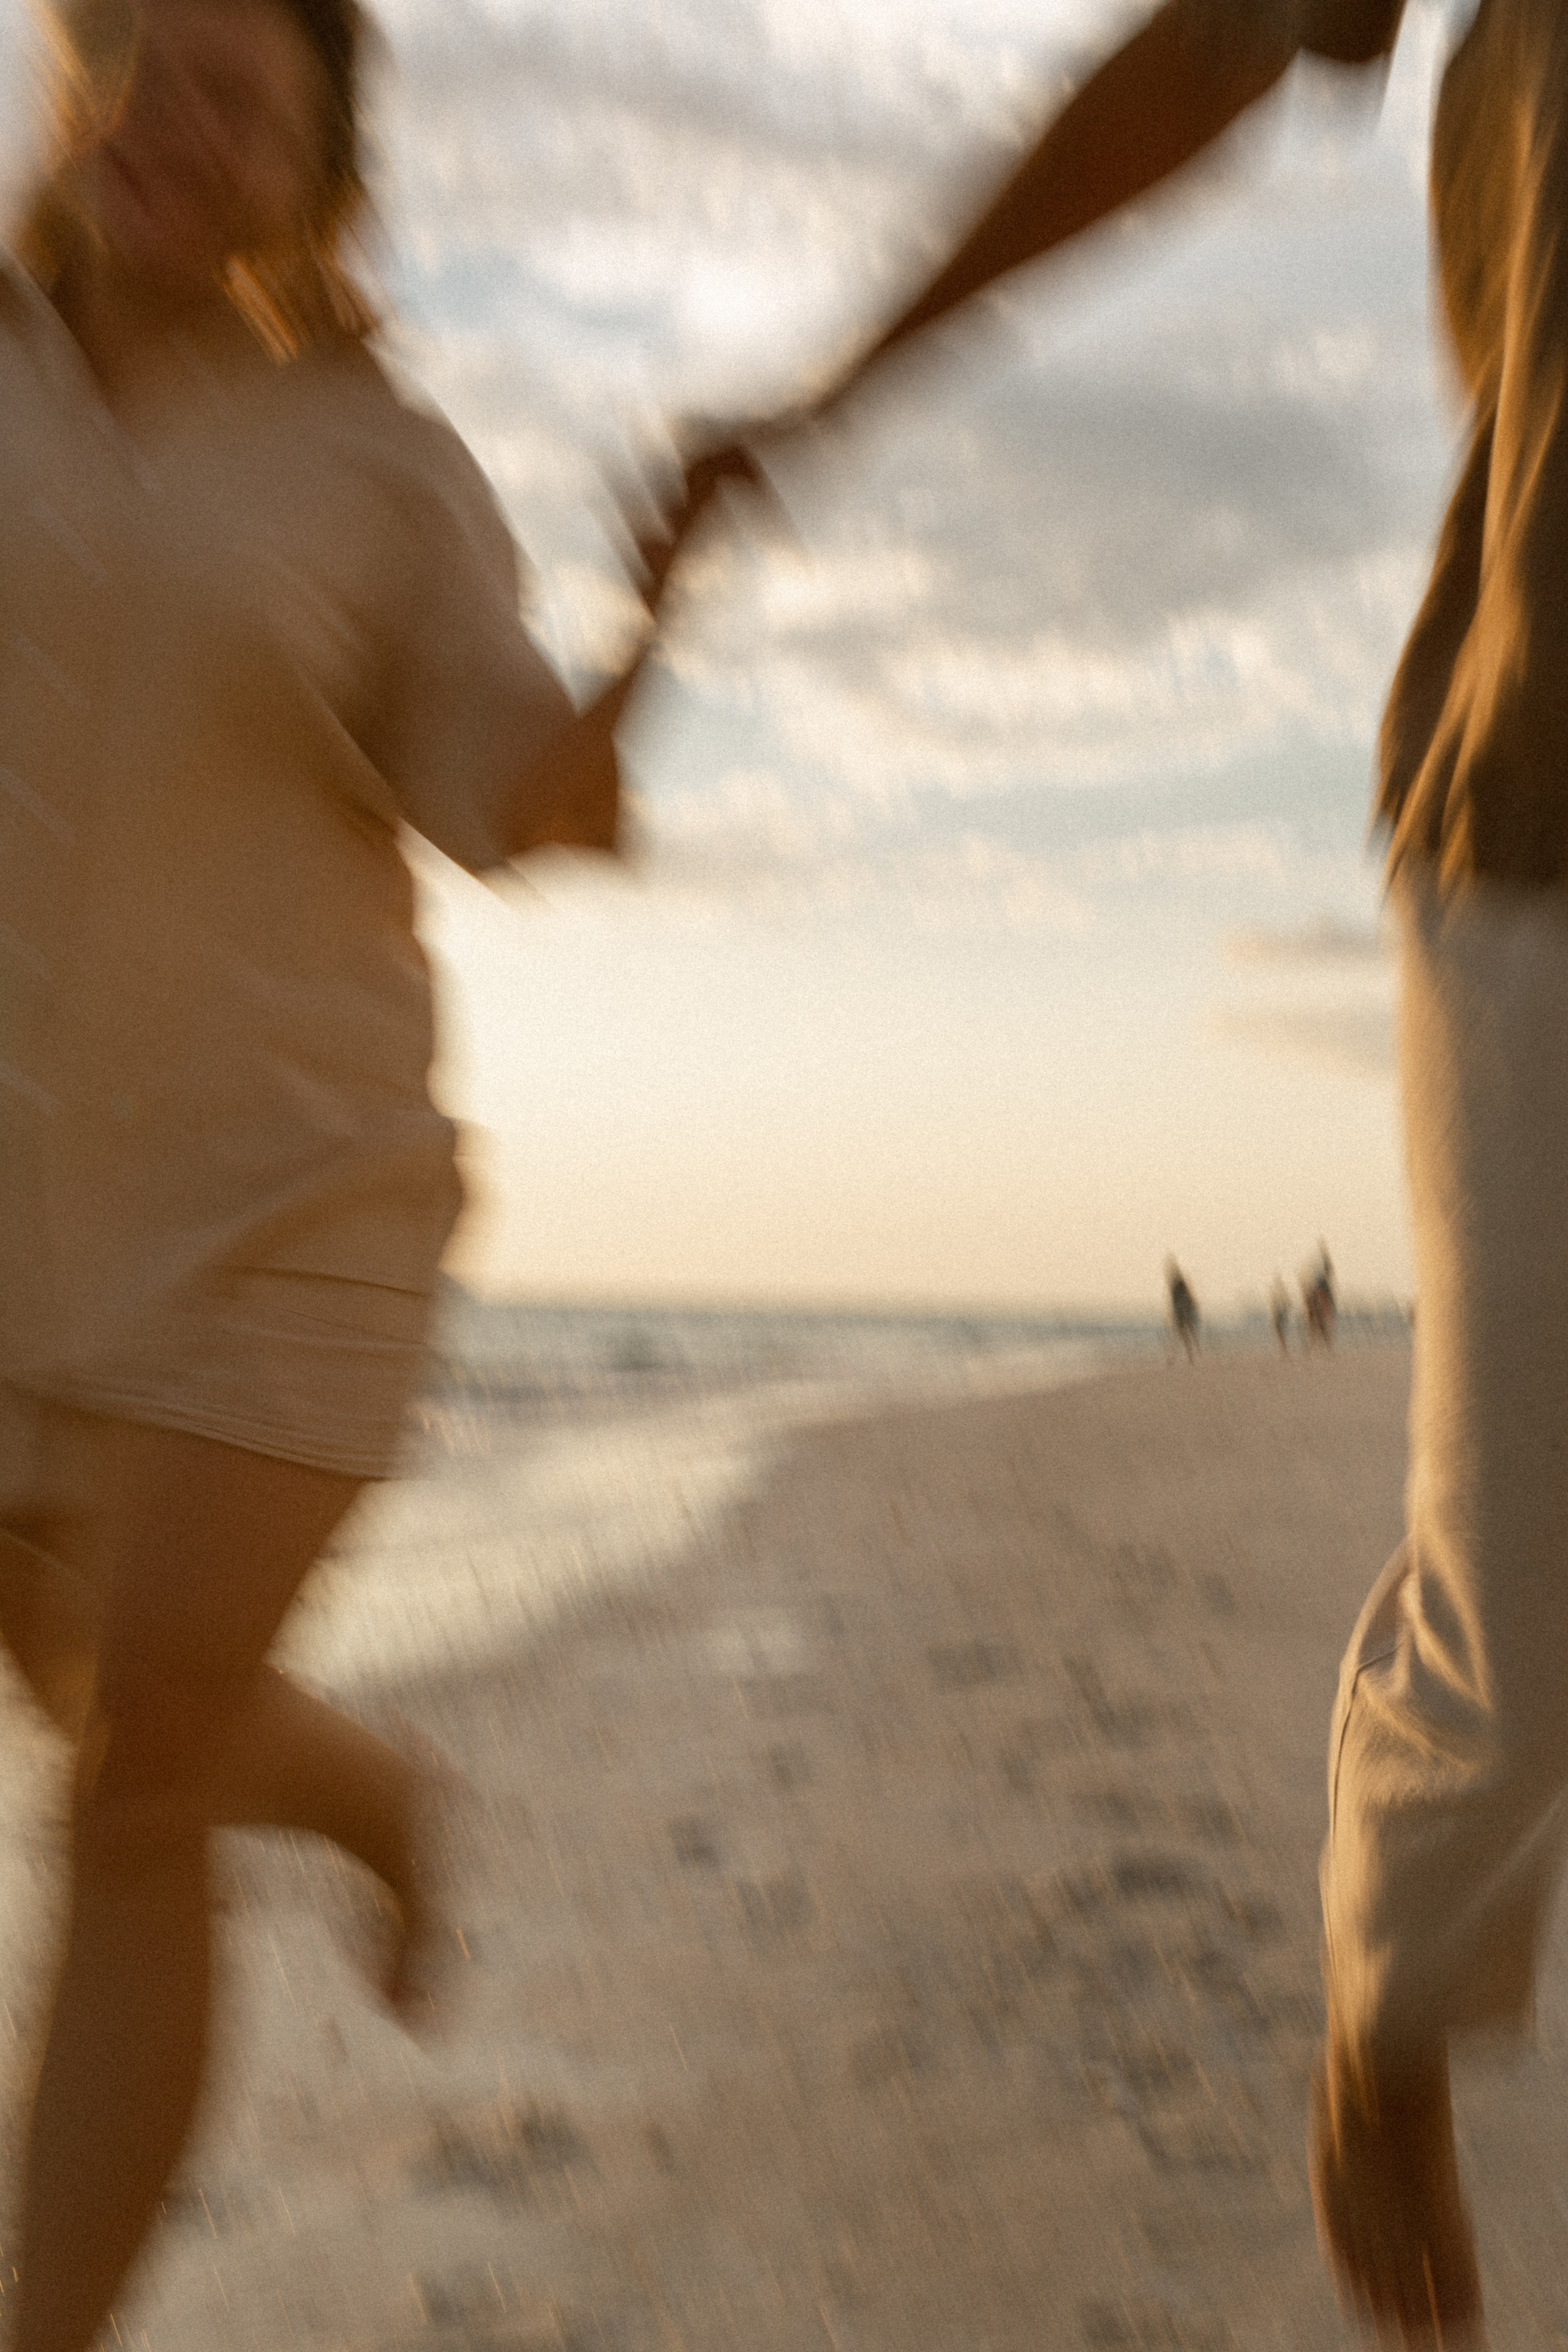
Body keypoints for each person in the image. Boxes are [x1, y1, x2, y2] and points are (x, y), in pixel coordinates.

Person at [736, 0, 1564, 2339]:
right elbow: (1205, 51)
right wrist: (836, 386)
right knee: (1524, 1619)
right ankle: (1384, 1995)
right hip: (1544, 807)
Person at [0, 6, 741, 2350]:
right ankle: (372, 1794)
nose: (172, 113)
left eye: (245, 97)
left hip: (289, 1208)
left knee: (129, 1791)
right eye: (146, 57)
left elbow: (507, 802)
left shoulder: (382, 468)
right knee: (122, 1703)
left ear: (311, 184)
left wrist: (649, 640)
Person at [1166, 1257, 1200, 1361]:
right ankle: (1189, 1355)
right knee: (1182, 1334)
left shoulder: (1179, 1283)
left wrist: (1188, 1308)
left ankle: (1193, 1354)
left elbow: (1187, 1296)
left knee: (1188, 1332)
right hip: (1179, 1311)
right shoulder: (1174, 1285)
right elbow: (1173, 1300)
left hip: (1184, 1310)